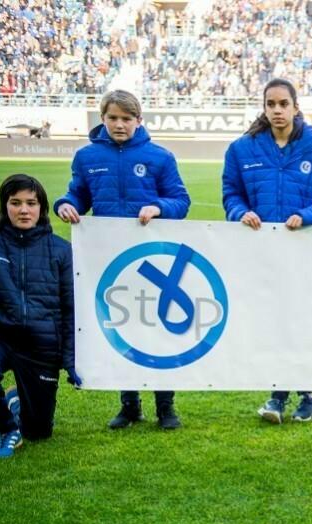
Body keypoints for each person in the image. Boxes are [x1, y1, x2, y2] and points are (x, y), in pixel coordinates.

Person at [54, 89, 191, 431]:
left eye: (127, 119)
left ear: (139, 121)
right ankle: (129, 405)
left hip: (152, 258)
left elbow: (180, 200)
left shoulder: (160, 157)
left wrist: (158, 207)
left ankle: (165, 406)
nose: (119, 124)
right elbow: (78, 195)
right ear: (102, 118)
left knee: (158, 328)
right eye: (113, 118)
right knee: (121, 327)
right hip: (109, 259)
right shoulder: (86, 156)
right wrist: (65, 204)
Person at [223, 78, 312, 424]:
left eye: (283, 104)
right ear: (263, 107)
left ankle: (308, 395)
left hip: (308, 255)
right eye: (271, 104)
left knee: (304, 323)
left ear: (296, 107)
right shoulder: (241, 149)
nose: (277, 110)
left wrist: (307, 215)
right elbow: (231, 194)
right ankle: (278, 394)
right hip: (263, 255)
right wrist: (240, 212)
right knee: (274, 324)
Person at [0, 174, 79, 458]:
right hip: (0, 339)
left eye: (31, 203)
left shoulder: (62, 250)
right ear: (5, 206)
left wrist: (71, 358)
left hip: (41, 346)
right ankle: (6, 428)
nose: (24, 210)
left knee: (38, 431)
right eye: (15, 203)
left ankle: (16, 402)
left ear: (42, 208)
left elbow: (70, 308)